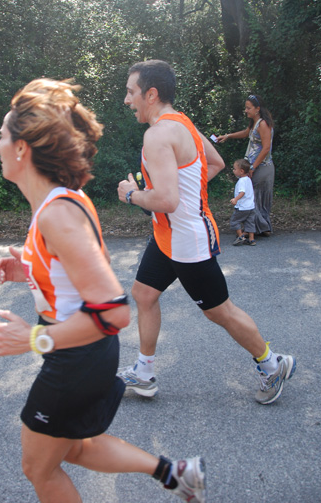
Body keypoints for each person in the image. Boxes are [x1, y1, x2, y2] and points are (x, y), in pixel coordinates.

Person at [0, 78, 207, 503]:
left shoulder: (58, 213)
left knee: (38, 466)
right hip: (78, 353)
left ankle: (176, 473)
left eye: (1, 136)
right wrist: (29, 269)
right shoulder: (56, 203)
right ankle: (176, 473)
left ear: (21, 149)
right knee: (69, 447)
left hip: (77, 356)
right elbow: (72, 274)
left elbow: (113, 311)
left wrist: (34, 338)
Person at [117, 60, 295, 405]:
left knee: (219, 311)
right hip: (167, 236)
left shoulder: (156, 135)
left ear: (150, 94)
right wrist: (182, 197)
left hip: (187, 242)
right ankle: (144, 371)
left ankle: (272, 365)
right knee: (143, 294)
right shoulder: (182, 123)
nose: (127, 100)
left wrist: (130, 193)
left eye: (130, 92)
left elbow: (166, 199)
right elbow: (215, 164)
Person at [216, 94, 274, 236]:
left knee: (252, 198)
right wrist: (228, 136)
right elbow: (245, 133)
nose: (246, 110)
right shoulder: (255, 123)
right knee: (252, 198)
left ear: (257, 108)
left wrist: (253, 167)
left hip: (262, 167)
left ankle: (257, 228)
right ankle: (260, 228)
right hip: (254, 167)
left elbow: (266, 148)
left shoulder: (263, 124)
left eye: (248, 108)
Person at [230, 158, 256, 246]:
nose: (233, 170)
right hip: (251, 206)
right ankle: (252, 239)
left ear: (241, 171)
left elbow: (242, 192)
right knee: (249, 222)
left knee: (235, 221)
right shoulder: (248, 179)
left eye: (234, 169)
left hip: (242, 207)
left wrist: (236, 199)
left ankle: (241, 236)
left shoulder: (241, 181)